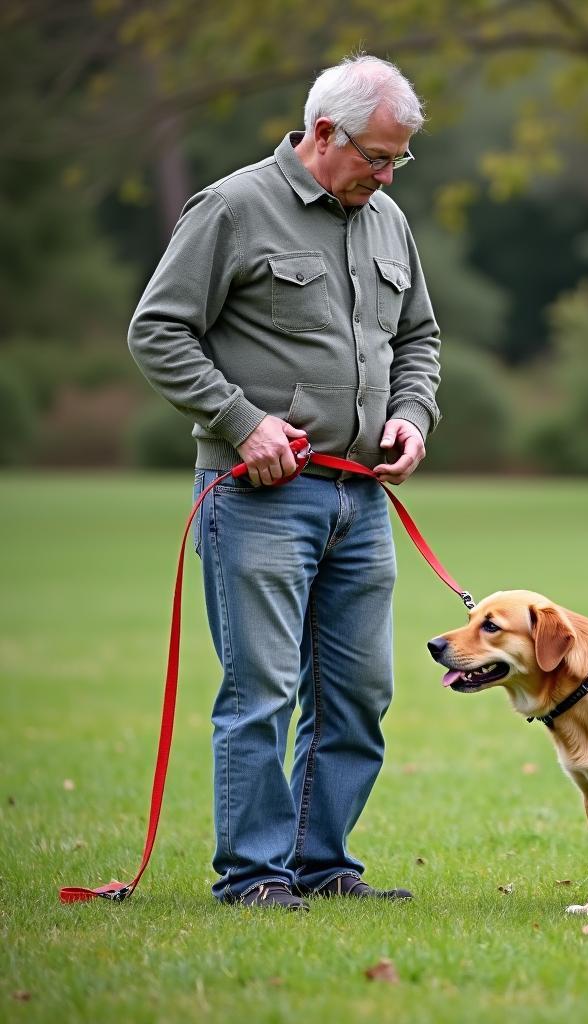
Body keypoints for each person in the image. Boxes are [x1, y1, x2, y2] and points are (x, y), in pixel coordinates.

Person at [128, 54, 441, 911]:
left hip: (363, 500)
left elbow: (419, 340)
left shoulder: (387, 219)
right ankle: (255, 877)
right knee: (261, 691)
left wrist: (413, 415)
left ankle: (320, 864)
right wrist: (241, 422)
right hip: (256, 501)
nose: (385, 176)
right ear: (323, 133)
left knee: (359, 693)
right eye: (376, 157)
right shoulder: (231, 207)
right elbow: (157, 331)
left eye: (397, 161)